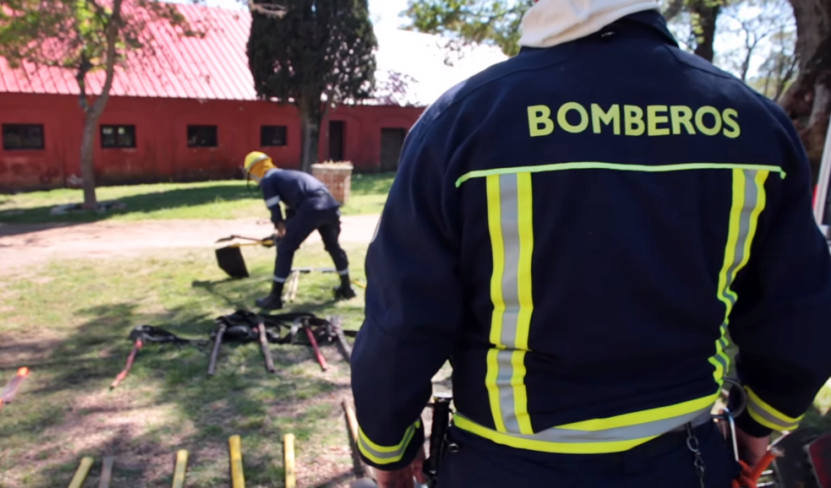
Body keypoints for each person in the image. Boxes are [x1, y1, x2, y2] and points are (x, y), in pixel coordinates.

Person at [349, 0, 831, 486]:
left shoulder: (465, 118)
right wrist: (759, 423)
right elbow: (799, 304)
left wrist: (388, 450)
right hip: (687, 461)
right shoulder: (754, 122)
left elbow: (403, 317)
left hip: (505, 466)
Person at [243, 151, 356, 310]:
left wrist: (280, 233)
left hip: (311, 208)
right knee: (333, 246)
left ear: (254, 170)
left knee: (285, 248)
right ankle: (347, 288)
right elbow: (292, 214)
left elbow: (275, 209)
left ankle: (275, 298)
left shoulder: (268, 179)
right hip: (330, 205)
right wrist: (280, 234)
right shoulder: (287, 176)